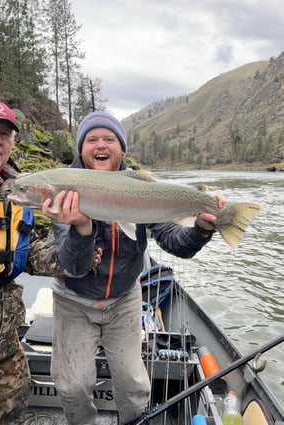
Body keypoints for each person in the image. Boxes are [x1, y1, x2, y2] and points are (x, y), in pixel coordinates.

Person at [42, 111, 223, 425]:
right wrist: (82, 228)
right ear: (81, 150)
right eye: (92, 139)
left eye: (109, 139)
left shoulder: (139, 189)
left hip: (124, 299)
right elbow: (72, 266)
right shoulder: (65, 188)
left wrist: (202, 228)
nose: (101, 145)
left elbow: (176, 243)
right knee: (73, 387)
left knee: (134, 384)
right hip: (73, 300)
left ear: (121, 150)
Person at [0, 99, 58, 425]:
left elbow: (32, 253)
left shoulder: (18, 188)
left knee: (10, 417)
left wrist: (77, 243)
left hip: (3, 340)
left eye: (5, 134)